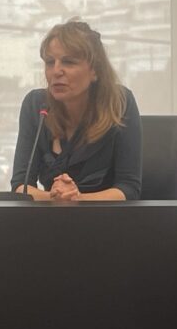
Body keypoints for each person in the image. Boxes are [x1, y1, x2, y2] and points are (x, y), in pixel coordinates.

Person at [10, 17, 141, 201]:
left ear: (95, 70)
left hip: (107, 217)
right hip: (50, 216)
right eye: (50, 62)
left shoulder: (119, 103)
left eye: (68, 62)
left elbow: (128, 189)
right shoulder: (36, 105)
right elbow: (20, 186)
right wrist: (54, 198)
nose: (56, 71)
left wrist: (77, 199)